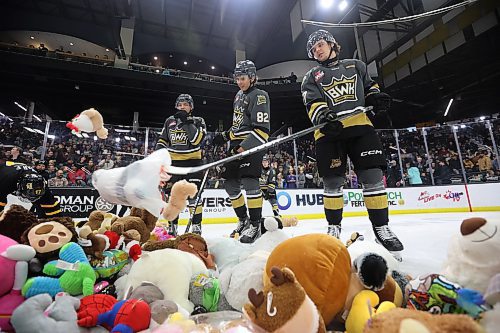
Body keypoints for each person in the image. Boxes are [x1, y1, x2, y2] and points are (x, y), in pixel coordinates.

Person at [301, 29, 403, 256]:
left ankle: (381, 227)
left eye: (319, 44)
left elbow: (370, 88)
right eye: (313, 49)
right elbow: (313, 103)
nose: (316, 50)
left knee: (372, 178)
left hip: (360, 128)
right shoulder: (311, 76)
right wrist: (324, 118)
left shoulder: (356, 66)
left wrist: (375, 97)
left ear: (331, 44)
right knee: (332, 183)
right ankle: (334, 228)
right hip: (329, 134)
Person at [213, 60, 270, 243]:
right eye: (237, 78)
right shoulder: (238, 95)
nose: (239, 82)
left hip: (252, 144)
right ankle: (243, 220)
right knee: (230, 184)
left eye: (243, 78)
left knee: (249, 181)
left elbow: (261, 130)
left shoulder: (260, 95)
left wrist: (241, 148)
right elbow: (238, 126)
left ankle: (255, 224)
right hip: (236, 144)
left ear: (252, 77)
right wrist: (225, 136)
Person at [155, 94, 206, 236]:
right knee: (173, 196)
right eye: (180, 104)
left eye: (185, 104)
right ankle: (173, 226)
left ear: (191, 107)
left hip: (193, 163)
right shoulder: (169, 121)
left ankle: (196, 225)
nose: (182, 107)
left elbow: (196, 141)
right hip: (173, 163)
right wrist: (158, 153)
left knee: (193, 196)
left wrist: (186, 122)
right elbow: (163, 140)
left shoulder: (198, 121)